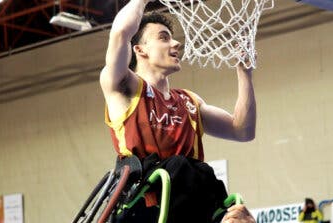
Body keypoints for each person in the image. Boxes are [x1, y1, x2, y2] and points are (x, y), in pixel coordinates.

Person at [99, 0, 256, 222]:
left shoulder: (190, 101)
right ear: (140, 49)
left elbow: (243, 131)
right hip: (145, 202)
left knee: (230, 205)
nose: (176, 44)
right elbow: (121, 33)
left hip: (190, 196)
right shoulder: (125, 87)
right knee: (179, 166)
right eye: (164, 38)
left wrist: (244, 75)